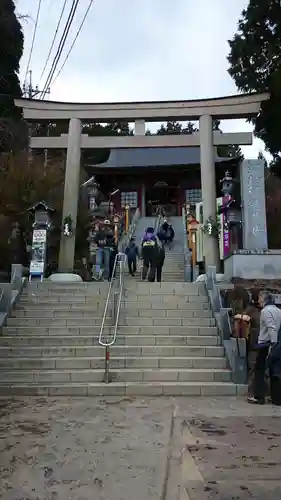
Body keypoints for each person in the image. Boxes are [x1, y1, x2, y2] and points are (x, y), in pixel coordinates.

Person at [248, 291, 281, 406]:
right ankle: (277, 398)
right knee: (275, 371)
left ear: (264, 299)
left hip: (267, 344)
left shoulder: (265, 311)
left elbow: (271, 327)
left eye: (260, 298)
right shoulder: (278, 310)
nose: (258, 301)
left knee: (260, 370)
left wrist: (273, 343)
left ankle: (259, 397)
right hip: (276, 345)